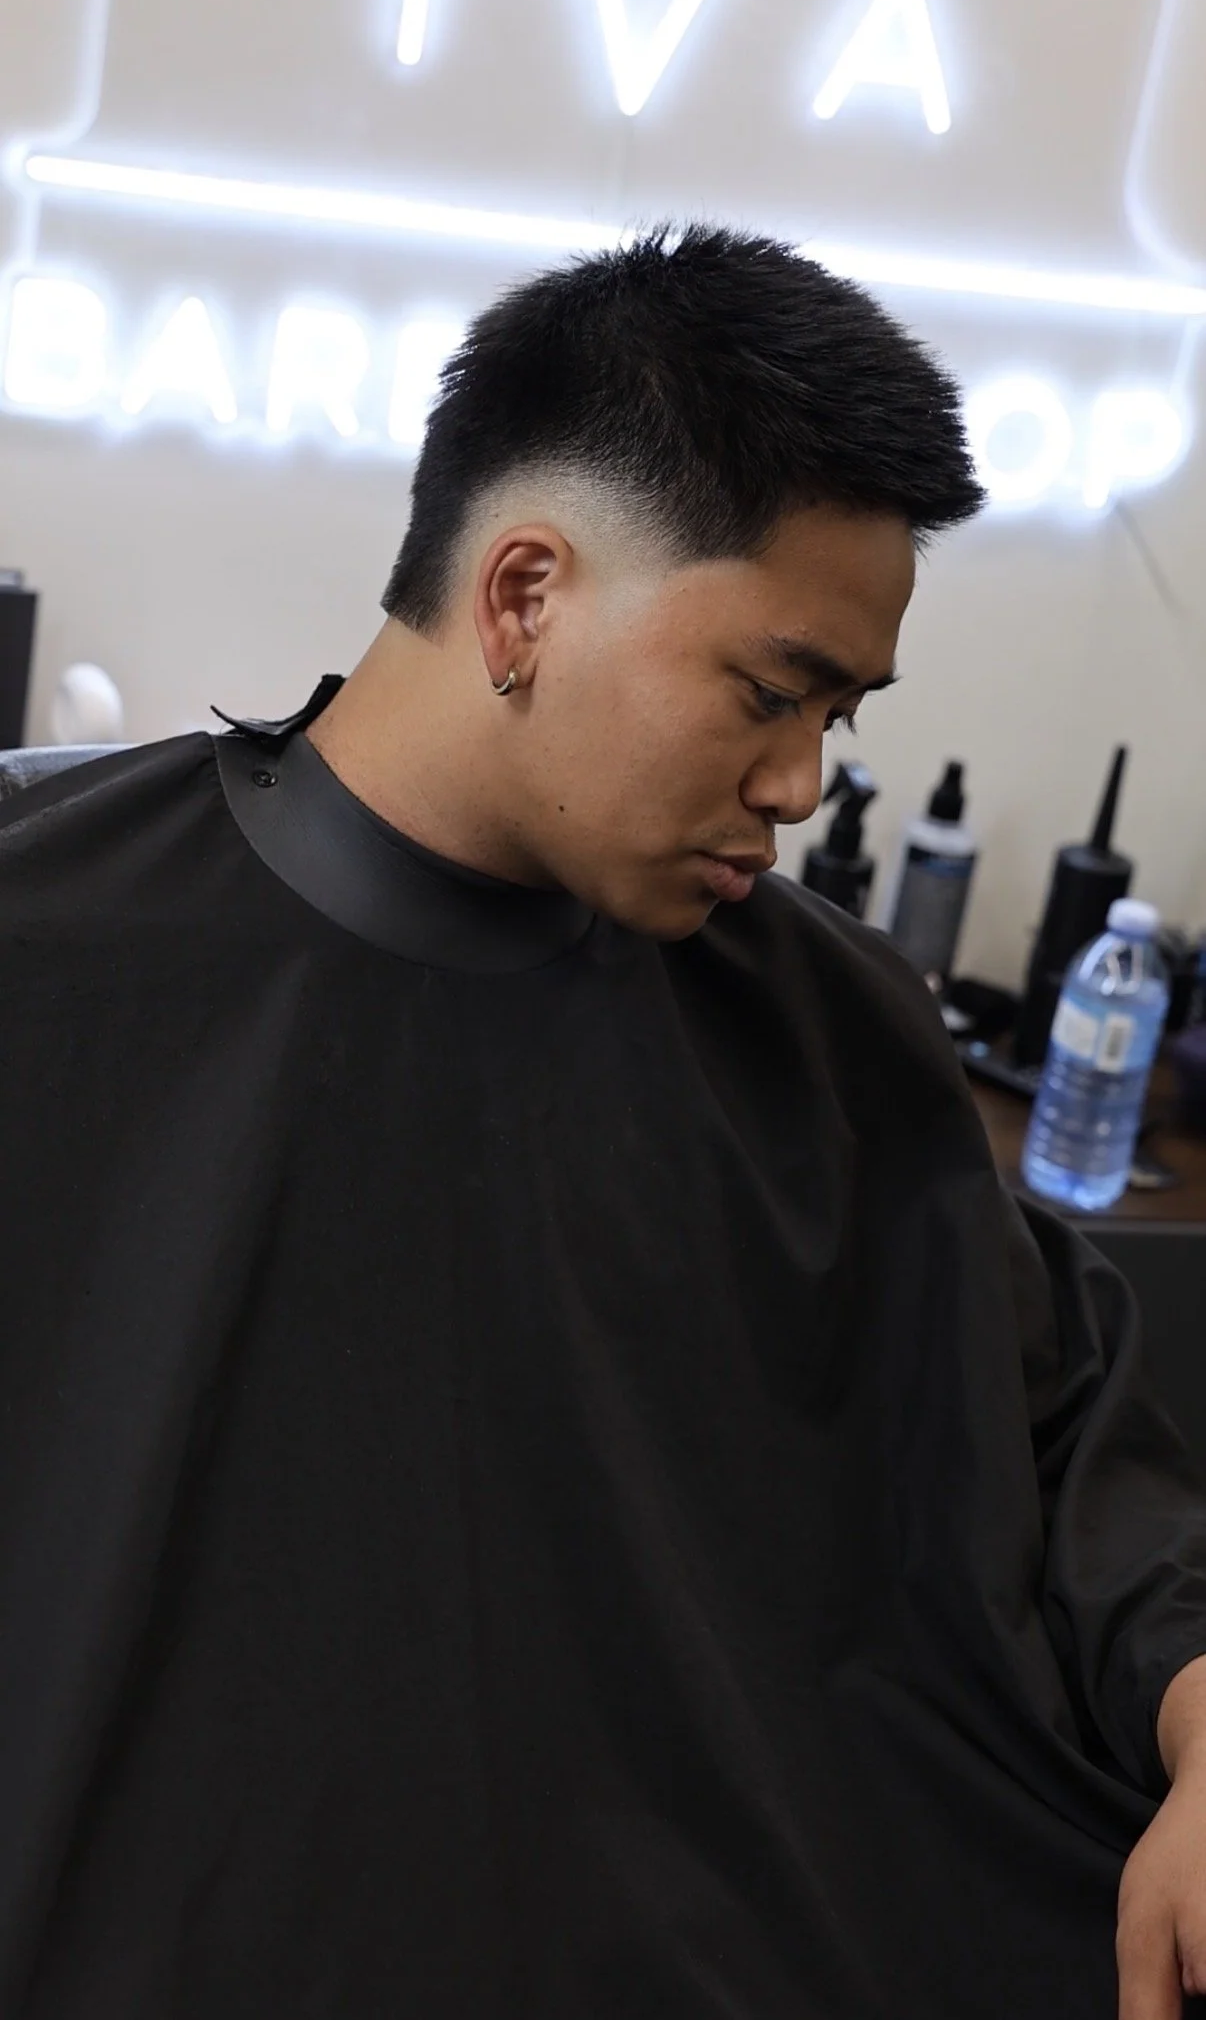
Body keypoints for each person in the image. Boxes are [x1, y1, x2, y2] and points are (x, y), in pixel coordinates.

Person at [1, 224, 1205, 2020]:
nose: (800, 783)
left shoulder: (832, 1030)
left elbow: (1067, 1435)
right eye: (769, 691)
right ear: (522, 598)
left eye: (839, 714)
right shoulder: (50, 944)